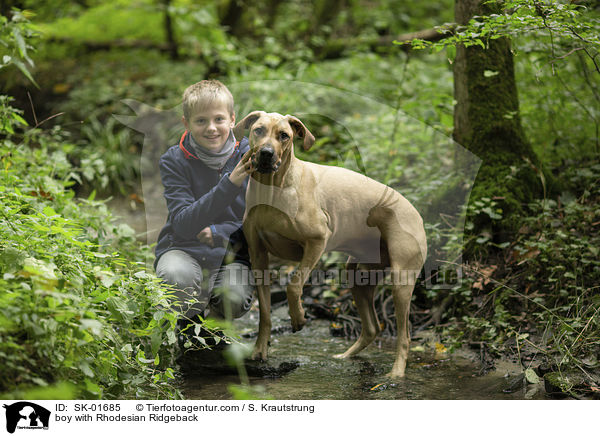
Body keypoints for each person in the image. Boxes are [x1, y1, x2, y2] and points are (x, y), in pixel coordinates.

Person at [154, 80, 254, 326]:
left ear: (232, 120)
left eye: (219, 119)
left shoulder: (250, 154)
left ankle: (214, 330)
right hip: (182, 247)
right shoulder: (174, 160)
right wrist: (230, 183)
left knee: (234, 296)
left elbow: (259, 221)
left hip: (233, 254)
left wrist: (219, 232)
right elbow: (184, 224)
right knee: (176, 278)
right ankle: (186, 326)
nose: (211, 128)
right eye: (201, 121)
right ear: (186, 124)